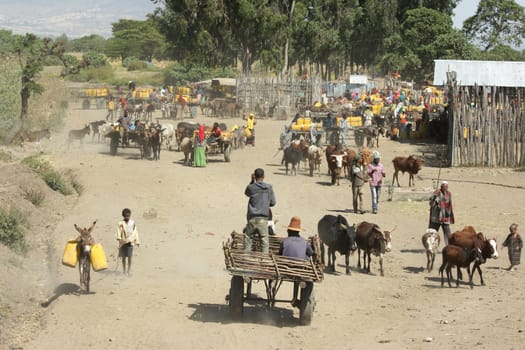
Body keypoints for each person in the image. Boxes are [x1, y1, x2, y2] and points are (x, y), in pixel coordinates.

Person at [279, 216, 314, 307]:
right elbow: (311, 253)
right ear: (298, 231)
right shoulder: (304, 242)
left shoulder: (285, 241)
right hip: (299, 269)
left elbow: (280, 255)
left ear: (289, 231)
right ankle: (298, 300)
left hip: (285, 269)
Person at [244, 168, 276, 253]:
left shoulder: (251, 187)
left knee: (248, 239)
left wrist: (252, 181)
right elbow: (273, 203)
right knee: (264, 242)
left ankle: (246, 259)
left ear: (254, 176)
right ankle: (264, 261)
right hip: (263, 219)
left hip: (252, 218)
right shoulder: (269, 188)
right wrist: (265, 203)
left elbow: (246, 193)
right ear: (264, 176)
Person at [429, 181, 455, 245]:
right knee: (433, 233)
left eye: (447, 186)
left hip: (445, 217)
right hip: (436, 217)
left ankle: (448, 246)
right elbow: (431, 203)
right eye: (444, 186)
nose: (445, 188)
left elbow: (449, 205)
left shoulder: (449, 194)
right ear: (441, 186)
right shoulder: (437, 192)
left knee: (448, 234)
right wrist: (434, 197)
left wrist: (449, 214)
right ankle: (431, 246)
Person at [116, 208, 140, 276]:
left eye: (128, 216)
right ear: (123, 216)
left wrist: (137, 241)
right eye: (126, 216)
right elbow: (118, 232)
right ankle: (124, 271)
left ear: (130, 215)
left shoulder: (132, 223)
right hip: (123, 243)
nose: (127, 217)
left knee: (130, 257)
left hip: (130, 242)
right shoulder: (120, 223)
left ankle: (128, 271)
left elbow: (135, 232)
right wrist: (120, 239)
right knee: (123, 258)